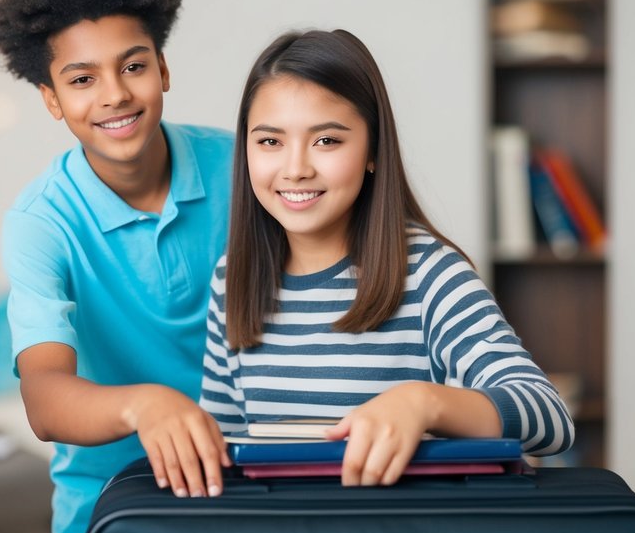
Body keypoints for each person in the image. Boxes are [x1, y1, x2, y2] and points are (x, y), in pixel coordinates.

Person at [0, 0, 232, 533]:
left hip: (251, 507)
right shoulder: (40, 221)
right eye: (82, 79)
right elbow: (45, 397)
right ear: (52, 101)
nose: (115, 96)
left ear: (162, 66)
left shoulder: (248, 168)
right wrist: (142, 403)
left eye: (132, 66)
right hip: (105, 531)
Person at [200, 29, 574, 485]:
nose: (295, 168)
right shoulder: (231, 278)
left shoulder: (430, 274)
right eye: (270, 142)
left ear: (373, 150)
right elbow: (223, 450)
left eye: (327, 141)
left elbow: (550, 418)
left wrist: (423, 402)